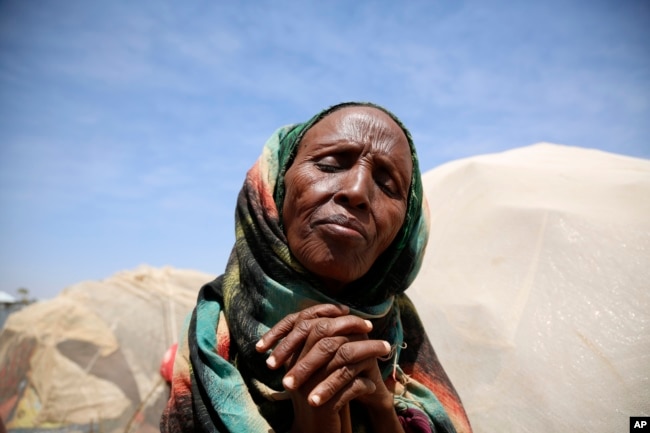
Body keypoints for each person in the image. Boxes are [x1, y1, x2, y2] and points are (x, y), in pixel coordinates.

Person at [160, 102, 472, 433]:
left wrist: (382, 411)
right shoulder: (211, 338)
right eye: (329, 165)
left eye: (388, 185)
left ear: (403, 233)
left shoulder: (405, 346)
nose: (356, 191)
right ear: (277, 185)